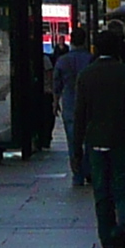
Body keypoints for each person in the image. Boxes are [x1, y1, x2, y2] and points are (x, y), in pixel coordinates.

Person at [71, 29, 125, 248]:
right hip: (123, 142)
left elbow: (80, 115)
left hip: (96, 141)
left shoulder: (86, 75)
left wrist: (76, 150)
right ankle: (121, 228)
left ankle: (109, 243)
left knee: (102, 196)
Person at [50, 27, 93, 182]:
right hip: (88, 104)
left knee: (72, 139)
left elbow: (56, 84)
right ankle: (89, 169)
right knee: (89, 139)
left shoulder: (63, 60)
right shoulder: (90, 59)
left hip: (69, 103)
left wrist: (55, 102)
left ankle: (77, 173)